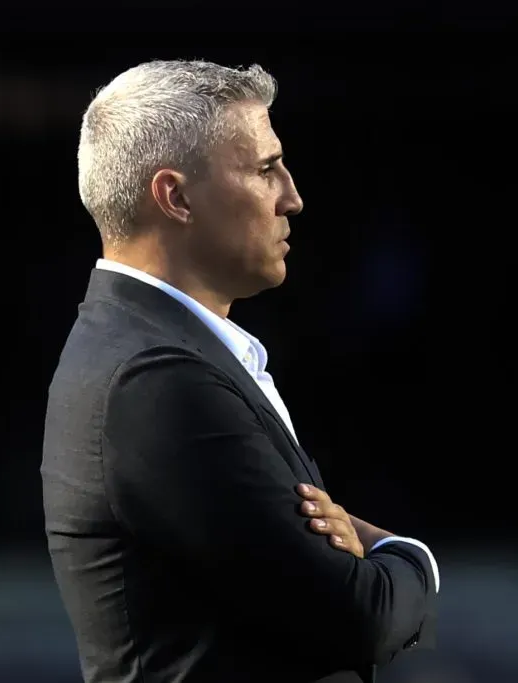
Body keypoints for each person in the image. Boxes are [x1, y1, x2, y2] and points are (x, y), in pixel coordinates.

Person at [41, 59, 439, 683]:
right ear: (174, 197)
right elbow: (359, 615)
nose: (292, 196)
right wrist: (403, 555)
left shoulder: (153, 350)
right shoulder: (157, 378)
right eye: (264, 168)